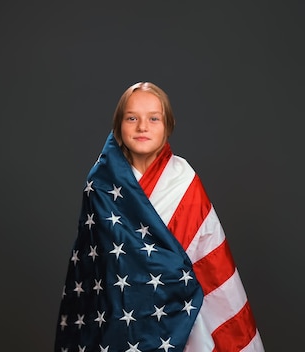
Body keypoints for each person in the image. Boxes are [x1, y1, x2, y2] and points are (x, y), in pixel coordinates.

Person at [55, 82, 264, 352]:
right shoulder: (99, 183)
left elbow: (207, 255)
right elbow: (92, 262)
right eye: (132, 118)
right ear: (118, 125)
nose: (143, 127)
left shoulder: (184, 179)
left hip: (179, 311)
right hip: (117, 310)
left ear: (168, 125)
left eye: (154, 118)